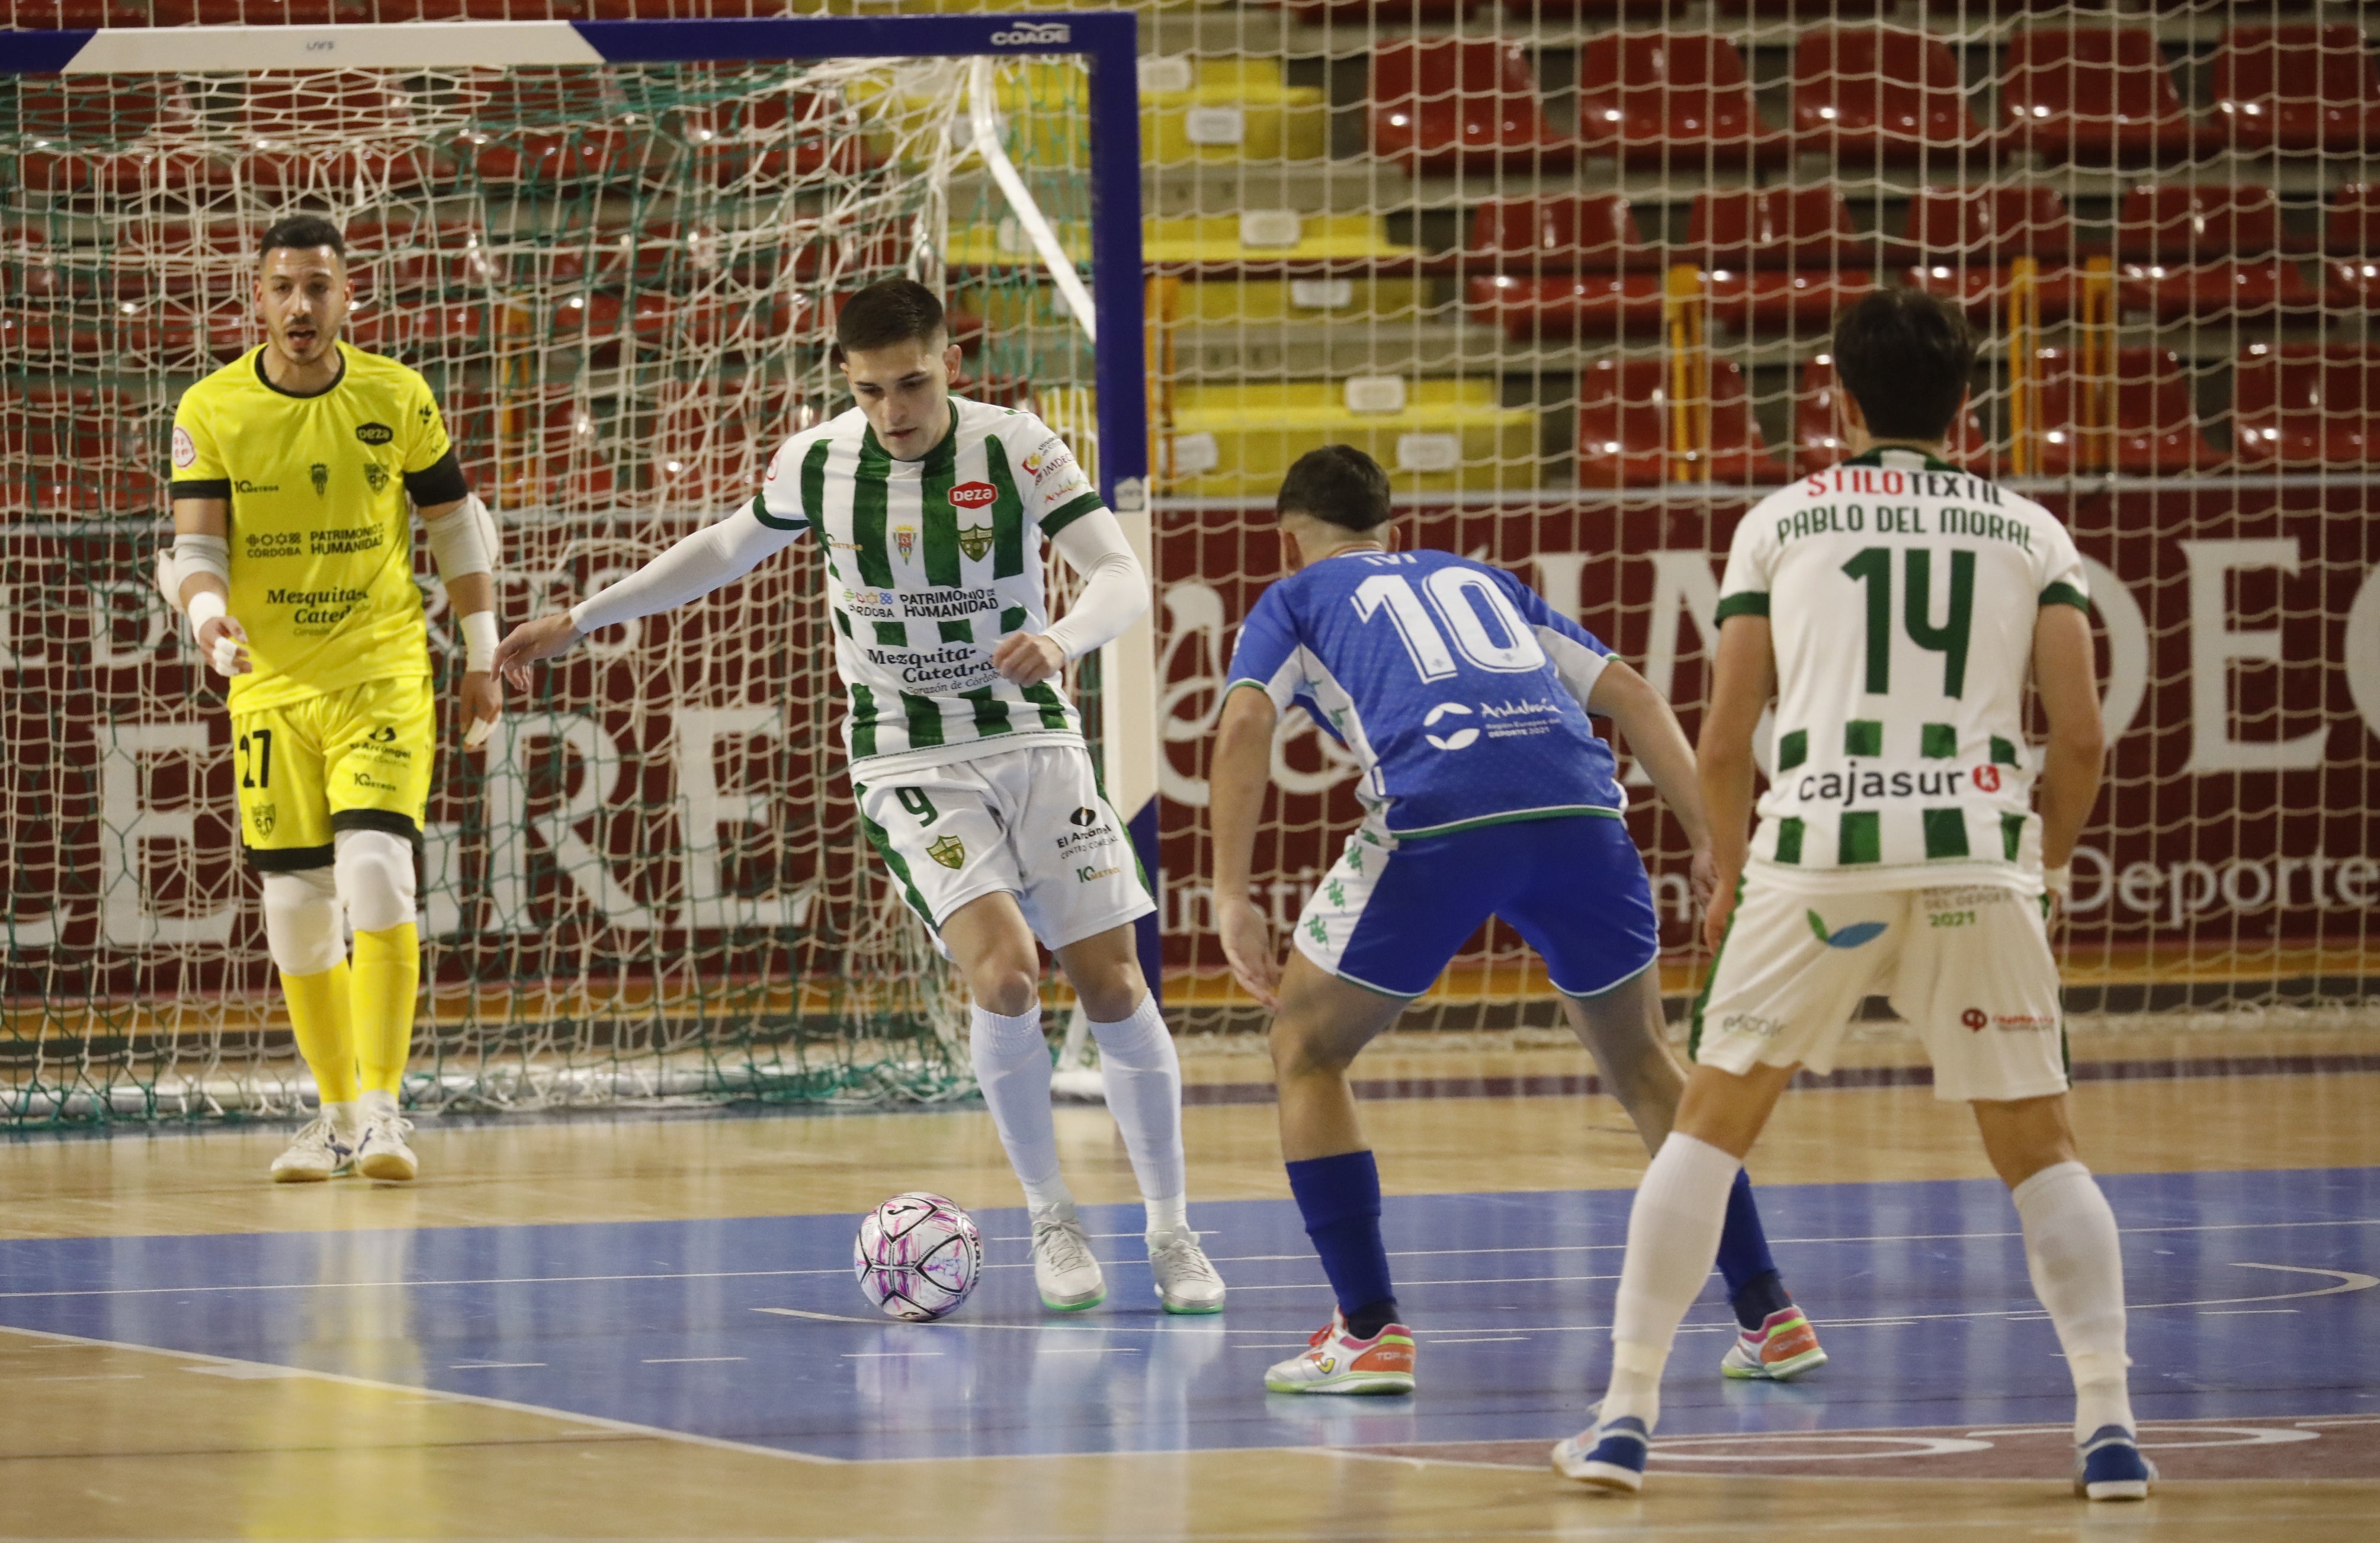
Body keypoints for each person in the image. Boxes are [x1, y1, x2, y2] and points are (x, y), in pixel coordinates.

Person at [493, 278, 1225, 1315]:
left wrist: (1061, 638)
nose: (896, 410)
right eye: (874, 389)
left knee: (1111, 987)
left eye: (914, 384)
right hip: (905, 756)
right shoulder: (819, 459)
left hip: (1031, 738)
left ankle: (1170, 1229)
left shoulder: (1017, 447)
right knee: (1009, 979)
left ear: (951, 365)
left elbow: (1119, 575)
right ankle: (1051, 1215)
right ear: (847, 379)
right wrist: (582, 615)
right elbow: (719, 550)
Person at [1554, 289, 2148, 1501]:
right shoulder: (2029, 530)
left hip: (1818, 852)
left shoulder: (1779, 521)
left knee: (1708, 1127)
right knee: (2038, 1145)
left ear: (1835, 399)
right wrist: (2038, 868)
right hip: (1974, 849)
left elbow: (1723, 741)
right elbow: (2078, 739)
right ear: (1968, 406)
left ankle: (1622, 1416)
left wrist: (1724, 866)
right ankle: (2109, 1424)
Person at [1209, 445, 1823, 1396]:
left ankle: (1368, 1329)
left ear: (1289, 538)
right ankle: (1770, 1311)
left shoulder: (1291, 600)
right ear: (1393, 532)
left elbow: (1244, 724)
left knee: (1304, 1045)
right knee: (1648, 1065)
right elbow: (1636, 697)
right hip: (1582, 815)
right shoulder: (1484, 580)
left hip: (1438, 821)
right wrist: (1709, 838)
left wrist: (1230, 893)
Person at [162, 213, 503, 1184]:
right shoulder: (211, 407)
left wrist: (480, 651)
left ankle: (388, 1111)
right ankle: (337, 1116)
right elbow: (194, 549)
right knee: (297, 907)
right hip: (269, 684)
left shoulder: (396, 394)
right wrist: (209, 619)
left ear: (350, 296)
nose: (301, 304)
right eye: (283, 287)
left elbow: (455, 528)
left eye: (319, 286)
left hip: (381, 670)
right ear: (257, 298)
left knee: (378, 875)